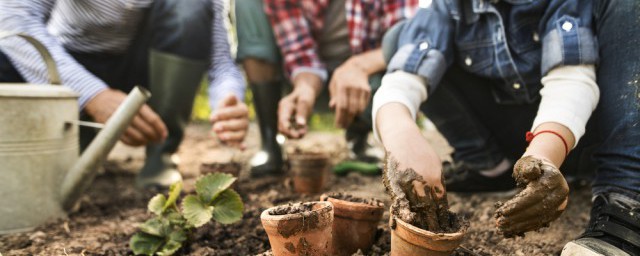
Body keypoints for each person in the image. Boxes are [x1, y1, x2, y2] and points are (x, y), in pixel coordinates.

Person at [375, 0, 639, 254]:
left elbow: (571, 80)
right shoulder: (448, 7)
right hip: (518, 145)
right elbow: (403, 78)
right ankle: (491, 168)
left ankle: (625, 199)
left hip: (583, 136)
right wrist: (401, 134)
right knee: (398, 38)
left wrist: (544, 155)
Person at [0, 0, 249, 189]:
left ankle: (160, 153)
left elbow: (221, 62)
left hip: (145, 69)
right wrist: (92, 95)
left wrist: (228, 100)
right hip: (75, 63)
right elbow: (12, 18)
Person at [235, 0, 420, 176]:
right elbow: (299, 52)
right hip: (299, 79)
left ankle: (359, 134)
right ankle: (269, 141)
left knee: (406, 69)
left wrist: (359, 67)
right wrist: (305, 87)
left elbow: (408, 40)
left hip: (367, 82)